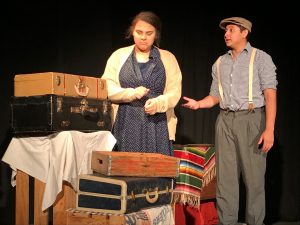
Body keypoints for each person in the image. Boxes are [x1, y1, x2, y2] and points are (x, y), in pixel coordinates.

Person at [182, 17, 277, 225]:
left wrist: (269, 129)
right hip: (224, 120)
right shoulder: (219, 63)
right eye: (225, 30)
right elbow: (215, 95)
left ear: (245, 33)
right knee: (225, 180)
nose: (226, 34)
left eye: (231, 30)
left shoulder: (260, 58)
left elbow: (270, 94)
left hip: (252, 119)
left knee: (253, 180)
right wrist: (199, 104)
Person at [101, 11, 182, 156]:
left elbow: (174, 91)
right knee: (126, 169)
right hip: (125, 122)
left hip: (157, 123)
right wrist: (130, 93)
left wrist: (159, 103)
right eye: (139, 32)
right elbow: (106, 87)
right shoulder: (118, 56)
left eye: (149, 33)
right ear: (132, 32)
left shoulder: (168, 58)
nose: (143, 37)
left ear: (156, 34)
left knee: (156, 170)